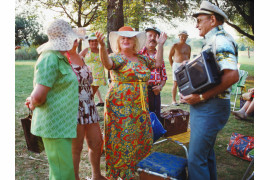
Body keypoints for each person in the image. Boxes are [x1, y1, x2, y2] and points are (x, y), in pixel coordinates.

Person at [95, 26, 167, 179]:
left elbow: (157, 64)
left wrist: (160, 45)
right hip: (120, 107)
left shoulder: (142, 58)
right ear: (119, 42)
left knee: (139, 136)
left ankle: (137, 168)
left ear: (135, 41)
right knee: (121, 138)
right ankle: (120, 173)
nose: (126, 40)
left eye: (129, 37)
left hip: (139, 106)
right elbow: (107, 64)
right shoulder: (116, 57)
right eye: (123, 38)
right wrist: (101, 46)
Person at [180, 1, 239, 180]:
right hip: (208, 106)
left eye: (199, 20)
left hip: (210, 106)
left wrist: (200, 96)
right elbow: (212, 72)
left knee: (196, 159)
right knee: (206, 155)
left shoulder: (220, 39)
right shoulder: (213, 40)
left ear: (212, 19)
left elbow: (232, 75)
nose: (196, 24)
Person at [25, 19, 82, 180]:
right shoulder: (49, 57)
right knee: (64, 175)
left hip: (62, 125)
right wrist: (32, 100)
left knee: (59, 172)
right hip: (54, 125)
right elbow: (38, 96)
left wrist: (33, 98)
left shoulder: (60, 57)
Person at [68, 39, 107, 180]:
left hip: (89, 105)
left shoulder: (81, 56)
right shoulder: (61, 58)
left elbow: (89, 80)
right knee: (76, 148)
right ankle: (75, 177)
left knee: (96, 142)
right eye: (71, 38)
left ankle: (96, 176)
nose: (75, 41)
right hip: (74, 107)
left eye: (75, 38)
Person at [139, 26, 167, 121]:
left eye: (155, 36)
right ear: (145, 38)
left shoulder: (160, 55)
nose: (152, 38)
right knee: (142, 117)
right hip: (141, 91)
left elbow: (164, 77)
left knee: (155, 118)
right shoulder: (138, 54)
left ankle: (155, 135)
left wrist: (160, 87)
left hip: (155, 92)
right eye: (150, 35)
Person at [80, 33, 107, 107]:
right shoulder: (86, 50)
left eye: (96, 41)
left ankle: (88, 106)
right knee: (88, 92)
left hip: (99, 75)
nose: (94, 43)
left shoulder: (100, 50)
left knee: (92, 93)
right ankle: (87, 106)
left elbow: (106, 60)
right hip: (88, 74)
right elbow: (78, 58)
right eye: (92, 41)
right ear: (89, 42)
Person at [169, 30, 191, 106]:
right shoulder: (175, 45)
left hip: (185, 65)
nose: (183, 38)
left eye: (185, 37)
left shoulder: (188, 47)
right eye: (182, 36)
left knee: (184, 83)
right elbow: (170, 56)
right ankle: (173, 100)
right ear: (179, 37)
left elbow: (188, 56)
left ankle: (182, 99)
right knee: (175, 83)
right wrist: (172, 65)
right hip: (176, 65)